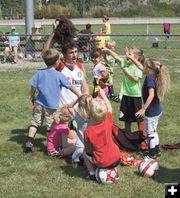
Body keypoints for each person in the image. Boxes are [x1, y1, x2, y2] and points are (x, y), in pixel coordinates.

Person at [25, 48, 80, 153]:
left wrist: (32, 96)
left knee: (35, 123)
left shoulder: (39, 73)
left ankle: (29, 141)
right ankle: (50, 146)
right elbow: (70, 86)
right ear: (57, 62)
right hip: (52, 106)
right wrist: (78, 94)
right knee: (50, 126)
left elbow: (33, 86)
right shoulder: (59, 75)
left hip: (39, 103)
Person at [102, 47, 147, 150]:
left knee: (138, 116)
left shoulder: (138, 67)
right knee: (126, 116)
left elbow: (135, 78)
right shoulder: (126, 63)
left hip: (135, 96)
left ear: (136, 58)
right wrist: (108, 50)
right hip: (126, 95)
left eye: (130, 54)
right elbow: (116, 57)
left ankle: (142, 135)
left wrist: (126, 71)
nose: (127, 55)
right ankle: (128, 135)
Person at [43, 19, 89, 106]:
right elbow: (45, 53)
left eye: (76, 52)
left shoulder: (80, 66)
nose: (75, 55)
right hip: (63, 110)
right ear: (64, 54)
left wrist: (86, 101)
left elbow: (85, 89)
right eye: (71, 53)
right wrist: (54, 32)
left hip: (78, 110)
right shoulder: (59, 66)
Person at [133, 58, 170, 159]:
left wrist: (144, 109)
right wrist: (132, 59)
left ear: (149, 69)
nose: (142, 67)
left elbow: (151, 95)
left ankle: (152, 154)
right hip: (157, 109)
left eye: (144, 66)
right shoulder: (152, 74)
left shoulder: (149, 78)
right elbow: (140, 67)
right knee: (153, 131)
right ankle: (157, 151)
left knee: (150, 133)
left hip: (151, 111)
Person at [83, 88, 121, 180]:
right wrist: (103, 95)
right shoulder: (108, 119)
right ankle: (112, 169)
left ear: (91, 114)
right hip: (117, 158)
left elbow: (88, 151)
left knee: (84, 153)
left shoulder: (88, 131)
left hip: (102, 163)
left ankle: (92, 174)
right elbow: (110, 108)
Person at [71, 94, 93, 164]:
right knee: (81, 150)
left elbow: (69, 107)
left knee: (82, 150)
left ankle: (77, 158)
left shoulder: (77, 116)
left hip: (84, 139)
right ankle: (75, 159)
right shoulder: (93, 116)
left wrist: (76, 101)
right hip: (82, 140)